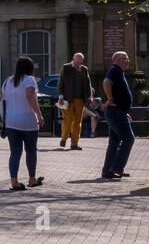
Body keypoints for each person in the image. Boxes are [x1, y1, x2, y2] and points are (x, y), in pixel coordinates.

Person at [0, 55, 46, 190]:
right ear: (30, 68)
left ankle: (14, 181)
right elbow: (30, 97)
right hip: (27, 120)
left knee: (15, 152)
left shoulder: (7, 81)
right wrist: (39, 114)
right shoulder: (29, 80)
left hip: (10, 122)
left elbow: (3, 99)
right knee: (31, 150)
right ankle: (32, 178)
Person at [100, 51, 135, 180]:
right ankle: (116, 168)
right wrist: (109, 99)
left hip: (118, 112)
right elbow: (106, 82)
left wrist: (125, 112)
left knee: (114, 142)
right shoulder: (114, 70)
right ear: (119, 59)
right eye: (126, 59)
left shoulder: (119, 72)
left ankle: (108, 171)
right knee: (128, 139)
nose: (128, 62)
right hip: (115, 112)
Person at [58, 52, 92, 151]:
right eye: (77, 62)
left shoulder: (84, 69)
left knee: (77, 122)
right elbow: (60, 83)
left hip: (80, 99)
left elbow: (88, 84)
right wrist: (60, 96)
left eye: (80, 62)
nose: (79, 64)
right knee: (68, 120)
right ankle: (64, 138)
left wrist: (89, 97)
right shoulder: (66, 68)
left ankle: (74, 144)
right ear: (73, 59)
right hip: (67, 99)